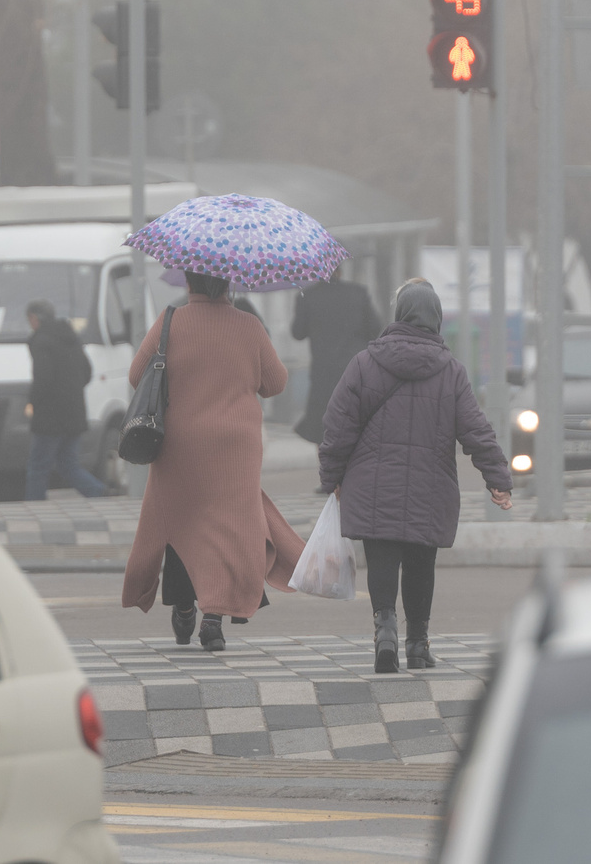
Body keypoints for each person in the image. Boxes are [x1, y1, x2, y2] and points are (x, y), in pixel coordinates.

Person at [319, 279, 512, 674]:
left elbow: (337, 427)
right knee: (421, 563)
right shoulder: (451, 372)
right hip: (430, 487)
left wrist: (331, 477)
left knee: (383, 557)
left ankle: (385, 631)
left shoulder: (364, 363)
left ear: (399, 315)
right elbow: (476, 429)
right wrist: (498, 477)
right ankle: (418, 644)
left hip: (374, 485)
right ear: (436, 319)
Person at [119, 272, 306, 652]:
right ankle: (214, 619)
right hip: (234, 448)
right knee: (228, 529)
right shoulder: (249, 326)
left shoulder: (170, 322)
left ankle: (184, 607)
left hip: (179, 445)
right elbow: (276, 383)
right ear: (229, 284)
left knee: (180, 522)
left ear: (188, 283)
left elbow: (137, 374)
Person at [24, 298, 119, 498]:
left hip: (50, 416)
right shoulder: (71, 337)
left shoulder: (41, 340)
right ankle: (99, 492)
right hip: (74, 411)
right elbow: (86, 371)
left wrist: (33, 400)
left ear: (34, 318)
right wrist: (71, 391)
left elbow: (43, 378)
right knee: (68, 464)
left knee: (38, 467)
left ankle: (34, 507)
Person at [291, 278, 380, 444]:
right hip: (355, 370)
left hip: (323, 373)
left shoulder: (308, 296)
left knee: (323, 426)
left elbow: (298, 333)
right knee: (355, 420)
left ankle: (326, 465)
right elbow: (375, 329)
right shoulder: (358, 293)